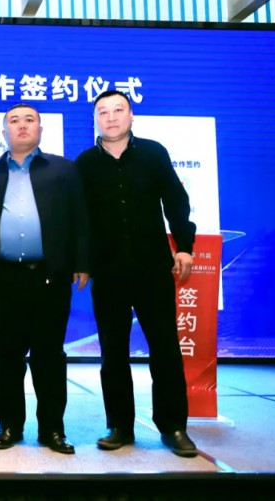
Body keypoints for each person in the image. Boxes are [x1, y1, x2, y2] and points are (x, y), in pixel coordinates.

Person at [75, 90, 198, 458]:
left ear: (131, 116)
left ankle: (173, 426)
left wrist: (185, 246)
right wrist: (82, 261)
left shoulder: (153, 154)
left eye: (118, 110)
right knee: (113, 352)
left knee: (165, 348)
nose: (111, 117)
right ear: (95, 119)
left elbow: (176, 201)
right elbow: (79, 219)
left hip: (152, 268)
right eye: (103, 112)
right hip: (107, 271)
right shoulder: (84, 163)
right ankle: (119, 426)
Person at [0, 103, 89, 454]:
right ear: (3, 131)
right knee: (7, 357)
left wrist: (81, 262)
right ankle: (9, 425)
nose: (22, 125)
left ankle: (52, 429)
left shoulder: (63, 169)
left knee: (49, 356)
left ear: (40, 129)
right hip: (4, 278)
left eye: (29, 120)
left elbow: (80, 218)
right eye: (14, 121)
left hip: (50, 278)